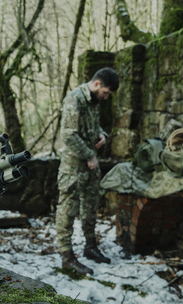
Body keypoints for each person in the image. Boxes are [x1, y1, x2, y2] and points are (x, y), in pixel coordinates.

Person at [56, 67, 119, 275]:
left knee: (90, 206)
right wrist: (89, 155)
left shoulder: (94, 101)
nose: (106, 98)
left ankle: (90, 247)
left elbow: (94, 126)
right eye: (106, 93)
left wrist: (102, 135)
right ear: (97, 84)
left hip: (90, 167)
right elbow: (68, 135)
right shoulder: (74, 99)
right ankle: (67, 257)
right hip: (73, 167)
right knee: (67, 210)